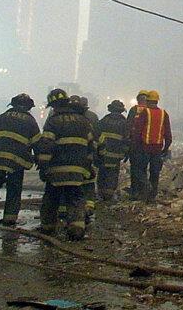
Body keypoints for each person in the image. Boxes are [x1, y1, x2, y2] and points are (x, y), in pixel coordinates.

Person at [35, 89, 96, 240]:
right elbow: (91, 146)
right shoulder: (83, 121)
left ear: (54, 106)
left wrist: (43, 167)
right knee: (75, 198)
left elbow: (46, 147)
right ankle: (76, 230)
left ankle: (48, 227)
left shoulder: (53, 121)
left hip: (56, 170)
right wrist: (87, 166)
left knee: (51, 198)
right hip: (78, 170)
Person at [0, 93, 39, 226]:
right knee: (14, 190)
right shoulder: (31, 121)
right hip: (16, 163)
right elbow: (37, 143)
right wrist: (40, 160)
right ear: (29, 107)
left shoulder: (1, 117)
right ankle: (10, 219)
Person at [129, 89, 171, 203]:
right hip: (157, 149)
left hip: (144, 148)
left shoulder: (144, 112)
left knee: (139, 170)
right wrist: (166, 148)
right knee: (155, 172)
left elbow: (137, 131)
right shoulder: (164, 113)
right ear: (157, 101)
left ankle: (145, 186)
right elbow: (168, 134)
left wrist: (134, 146)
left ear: (147, 100)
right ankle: (152, 196)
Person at [70, 96, 98, 224]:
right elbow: (95, 140)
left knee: (68, 187)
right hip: (85, 161)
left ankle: (65, 213)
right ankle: (88, 209)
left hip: (66, 162)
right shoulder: (88, 120)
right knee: (87, 182)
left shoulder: (57, 119)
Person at [95, 100, 128, 201]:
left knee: (103, 172)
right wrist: (125, 153)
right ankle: (109, 195)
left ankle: (100, 193)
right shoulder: (124, 122)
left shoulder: (104, 120)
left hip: (103, 152)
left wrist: (98, 151)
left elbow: (97, 134)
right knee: (113, 173)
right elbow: (126, 139)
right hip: (116, 154)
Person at [126, 91, 149, 198]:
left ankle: (136, 190)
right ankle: (143, 191)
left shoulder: (134, 110)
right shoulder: (150, 111)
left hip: (135, 145)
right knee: (143, 168)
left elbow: (128, 127)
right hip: (148, 145)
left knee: (135, 168)